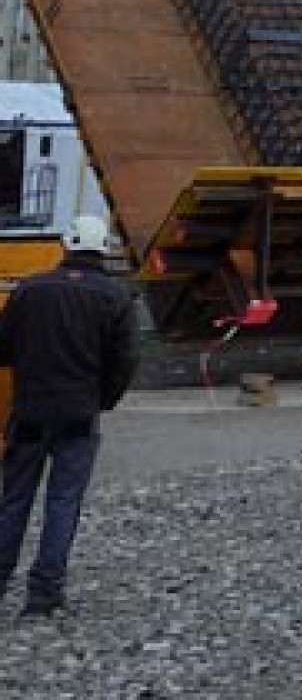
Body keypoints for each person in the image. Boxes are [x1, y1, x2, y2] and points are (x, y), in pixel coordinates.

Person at [0, 214, 140, 618]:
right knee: (63, 502)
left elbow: (2, 347)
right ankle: (43, 595)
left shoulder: (29, 290)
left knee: (14, 499)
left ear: (67, 245)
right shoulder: (115, 297)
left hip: (28, 413)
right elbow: (125, 360)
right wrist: (104, 399)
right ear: (103, 251)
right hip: (79, 416)